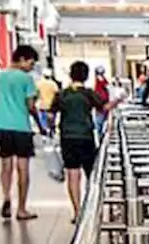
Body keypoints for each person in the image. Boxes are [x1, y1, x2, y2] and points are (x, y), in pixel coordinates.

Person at [50, 61, 108, 222]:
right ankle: (93, 209)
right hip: (86, 136)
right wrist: (118, 101)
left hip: (67, 137)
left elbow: (50, 115)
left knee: (72, 174)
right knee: (92, 175)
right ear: (87, 76)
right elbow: (103, 108)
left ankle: (77, 211)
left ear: (70, 74)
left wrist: (49, 127)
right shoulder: (88, 94)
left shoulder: (63, 94)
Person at [0, 45, 41, 221]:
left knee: (6, 165)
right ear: (21, 59)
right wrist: (39, 121)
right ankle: (21, 208)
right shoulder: (26, 79)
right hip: (21, 126)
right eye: (30, 63)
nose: (31, 67)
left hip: (2, 126)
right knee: (22, 168)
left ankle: (6, 198)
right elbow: (30, 106)